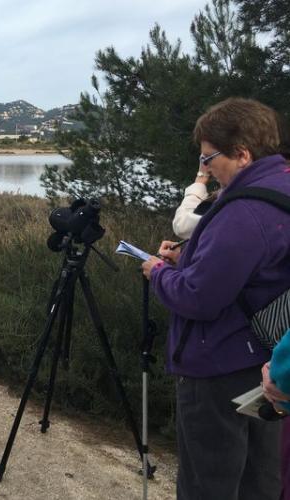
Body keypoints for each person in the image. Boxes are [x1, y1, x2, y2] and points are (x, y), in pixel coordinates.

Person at [142, 97, 290, 500]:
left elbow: (197, 297)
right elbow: (256, 269)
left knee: (208, 483)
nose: (205, 169)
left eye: (210, 159)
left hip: (218, 367)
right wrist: (188, 255)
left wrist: (159, 272)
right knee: (260, 480)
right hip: (270, 362)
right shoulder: (281, 186)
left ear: (241, 154)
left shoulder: (245, 212)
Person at [171, 161, 217, 239]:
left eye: (207, 158)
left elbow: (182, 226)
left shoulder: (230, 199)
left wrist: (201, 178)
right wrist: (182, 250)